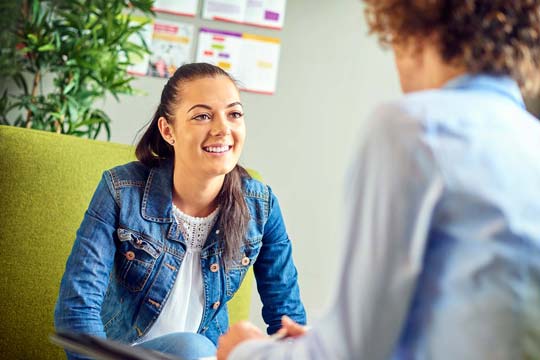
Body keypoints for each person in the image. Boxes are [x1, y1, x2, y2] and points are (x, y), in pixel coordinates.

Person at [217, 1, 540, 359]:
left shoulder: (413, 127)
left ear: (414, 31)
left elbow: (349, 353)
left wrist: (243, 351)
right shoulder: (530, 141)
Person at [54, 63, 306, 360]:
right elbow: (76, 310)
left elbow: (287, 319)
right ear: (168, 130)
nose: (223, 128)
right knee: (192, 348)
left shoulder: (261, 206)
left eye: (234, 114)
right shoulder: (121, 190)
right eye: (202, 116)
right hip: (124, 355)